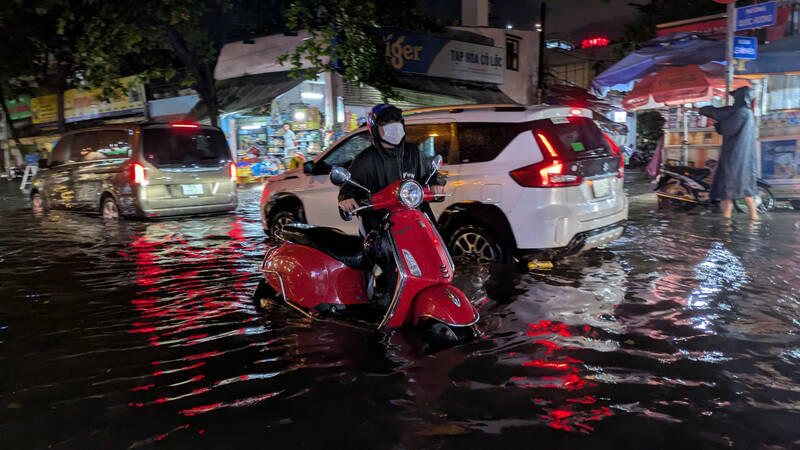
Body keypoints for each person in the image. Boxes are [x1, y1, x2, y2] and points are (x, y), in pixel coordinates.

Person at [337, 104, 446, 305]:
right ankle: (379, 297)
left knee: (436, 254)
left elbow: (431, 176)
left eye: (396, 122)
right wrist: (345, 199)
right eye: (386, 123)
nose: (393, 127)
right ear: (375, 130)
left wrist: (437, 183)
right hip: (379, 224)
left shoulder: (413, 153)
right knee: (383, 258)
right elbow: (348, 188)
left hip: (415, 220)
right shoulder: (365, 160)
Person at [699, 86, 759, 220]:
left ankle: (727, 223)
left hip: (734, 157)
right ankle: (753, 220)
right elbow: (725, 125)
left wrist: (718, 120)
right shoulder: (746, 112)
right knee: (745, 190)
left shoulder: (740, 112)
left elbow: (727, 129)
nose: (733, 100)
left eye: (735, 97)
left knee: (727, 191)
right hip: (742, 158)